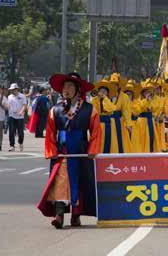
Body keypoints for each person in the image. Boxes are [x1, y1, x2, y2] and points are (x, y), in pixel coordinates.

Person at [38, 72, 101, 229]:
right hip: (63, 151)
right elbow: (51, 132)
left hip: (80, 150)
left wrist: (93, 150)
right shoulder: (56, 109)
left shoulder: (89, 109)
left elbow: (96, 131)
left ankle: (76, 215)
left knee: (79, 182)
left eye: (70, 86)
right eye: (64, 86)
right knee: (60, 181)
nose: (66, 89)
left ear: (78, 89)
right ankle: (59, 215)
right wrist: (52, 150)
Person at [7, 83, 28, 152]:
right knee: (11, 131)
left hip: (20, 117)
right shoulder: (9, 97)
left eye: (13, 90)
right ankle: (12, 145)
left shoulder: (22, 96)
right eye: (11, 90)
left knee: (20, 132)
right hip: (11, 116)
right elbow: (8, 105)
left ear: (17, 89)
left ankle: (21, 143)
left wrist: (21, 111)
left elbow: (25, 105)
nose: (12, 91)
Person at [0, 85, 8, 151]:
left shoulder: (4, 98)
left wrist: (1, 105)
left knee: (0, 131)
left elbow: (7, 108)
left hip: (1, 117)